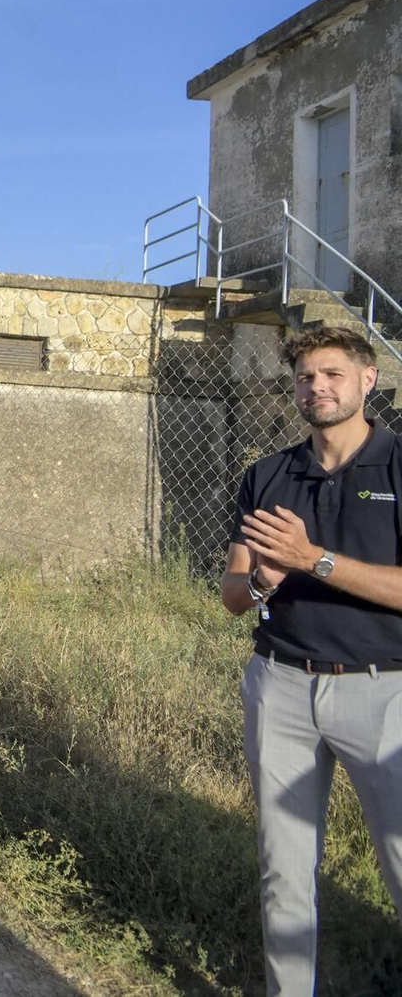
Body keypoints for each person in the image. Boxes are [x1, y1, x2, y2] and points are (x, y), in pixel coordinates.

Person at [219, 325, 402, 997]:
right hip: (281, 686)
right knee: (284, 871)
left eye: (331, 374)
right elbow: (233, 595)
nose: (316, 387)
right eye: (304, 377)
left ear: (367, 379)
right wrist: (265, 580)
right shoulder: (268, 475)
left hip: (384, 691)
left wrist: (314, 560)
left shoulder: (396, 465)